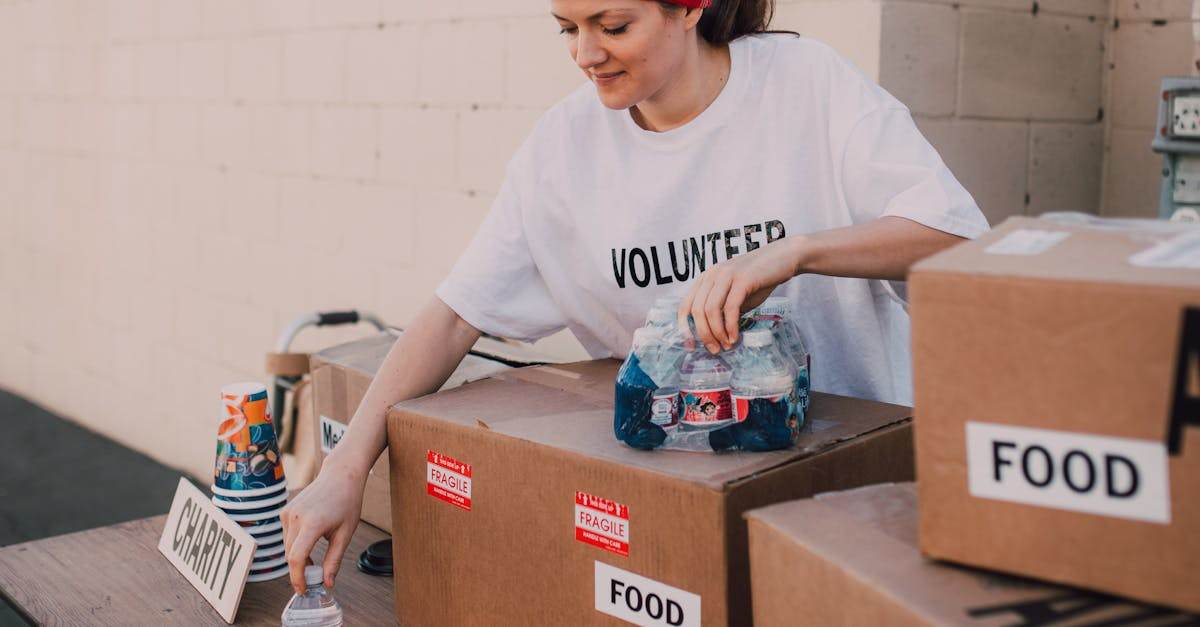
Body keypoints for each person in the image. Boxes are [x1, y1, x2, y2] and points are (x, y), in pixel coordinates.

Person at [281, 0, 989, 593]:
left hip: (849, 510)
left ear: (689, 7)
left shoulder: (807, 86)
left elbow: (955, 237)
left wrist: (796, 251)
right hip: (675, 524)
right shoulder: (563, 151)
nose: (586, 53)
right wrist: (346, 467)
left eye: (613, 25)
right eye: (567, 27)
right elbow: (454, 314)